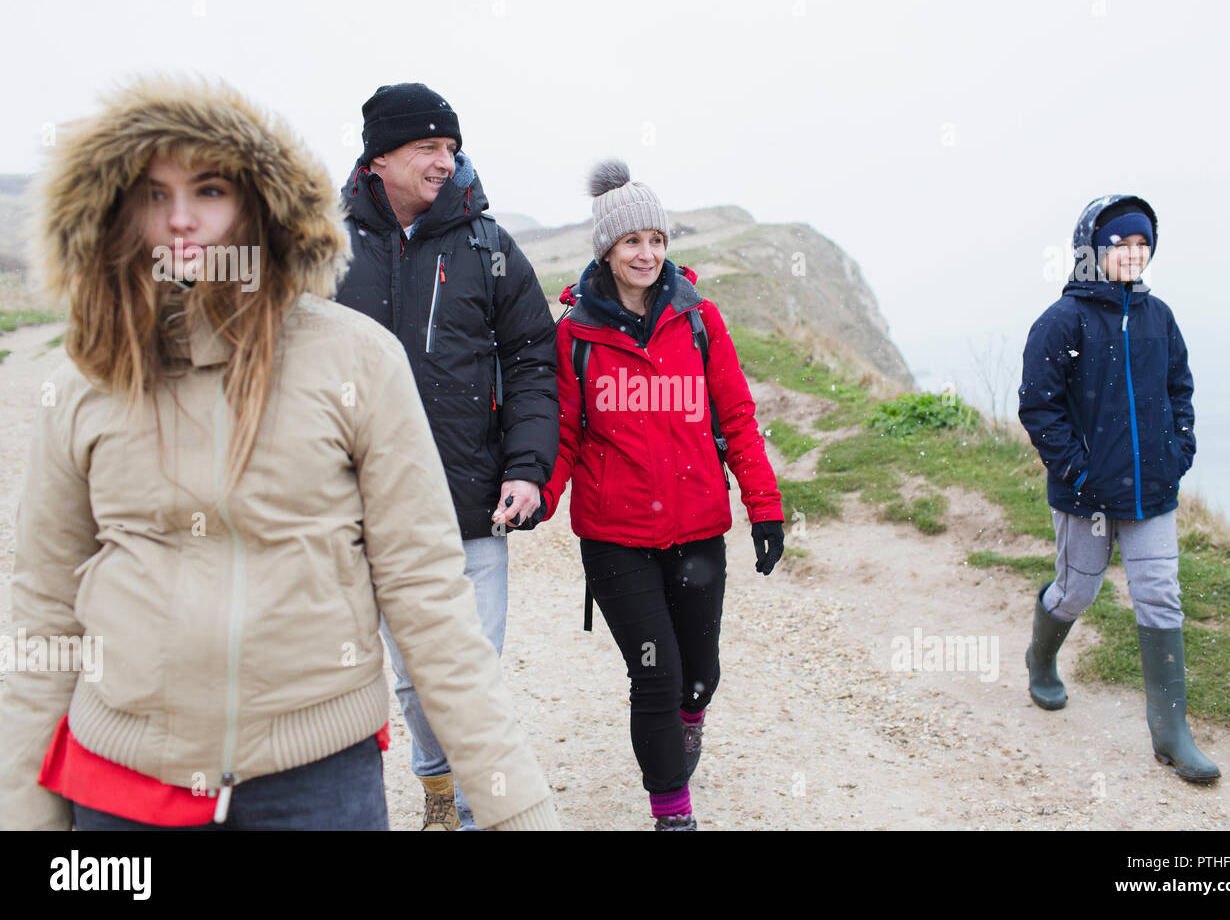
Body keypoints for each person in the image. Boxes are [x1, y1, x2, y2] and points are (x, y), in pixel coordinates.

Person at [0, 77, 560, 830]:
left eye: (208, 188)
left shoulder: (357, 360)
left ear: (257, 205)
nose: (179, 219)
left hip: (314, 785)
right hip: (121, 785)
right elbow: (43, 618)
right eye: (150, 193)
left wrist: (515, 810)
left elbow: (431, 606)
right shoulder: (83, 381)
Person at [333, 83, 557, 830]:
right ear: (381, 156)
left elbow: (533, 358)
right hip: (367, 505)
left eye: (451, 149)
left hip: (471, 504)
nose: (444, 161)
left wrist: (527, 468)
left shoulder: (487, 246)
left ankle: (465, 811)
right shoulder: (325, 246)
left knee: (469, 675)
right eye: (428, 147)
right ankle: (435, 784)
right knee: (411, 680)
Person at [539, 161, 786, 830]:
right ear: (606, 251)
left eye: (656, 239)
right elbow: (562, 434)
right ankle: (673, 814)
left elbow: (735, 417)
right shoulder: (575, 336)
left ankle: (691, 721)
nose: (647, 254)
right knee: (655, 674)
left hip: (699, 525)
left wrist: (765, 507)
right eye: (631, 242)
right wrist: (540, 494)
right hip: (615, 537)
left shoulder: (700, 321)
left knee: (697, 676)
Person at [1018, 194, 1219, 782]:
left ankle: (1172, 734)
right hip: (1088, 498)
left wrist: (1178, 451)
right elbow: (1039, 407)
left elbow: (1180, 388)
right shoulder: (1063, 321)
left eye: (1141, 243)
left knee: (1161, 595)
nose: (1134, 253)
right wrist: (1078, 471)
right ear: (1092, 250)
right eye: (1120, 243)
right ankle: (1042, 658)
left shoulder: (1160, 318)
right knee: (1076, 593)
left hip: (1153, 490)